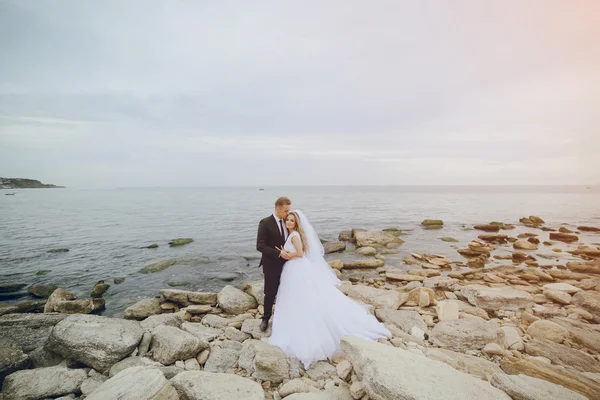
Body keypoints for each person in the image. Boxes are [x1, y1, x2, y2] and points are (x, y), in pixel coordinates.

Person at [268, 210, 391, 369]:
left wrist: (285, 254)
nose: (289, 222)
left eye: (292, 220)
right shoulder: (294, 235)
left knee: (300, 296)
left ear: (297, 223)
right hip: (295, 268)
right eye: (287, 220)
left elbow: (299, 253)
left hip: (296, 268)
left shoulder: (294, 236)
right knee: (299, 297)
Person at [256, 196, 292, 332]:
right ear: (278, 208)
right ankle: (265, 318)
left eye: (289, 210)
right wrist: (278, 253)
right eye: (286, 211)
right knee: (270, 292)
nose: (288, 214)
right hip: (271, 263)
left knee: (287, 290)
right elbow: (260, 246)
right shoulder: (265, 223)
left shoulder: (287, 222)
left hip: (288, 263)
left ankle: (284, 317)